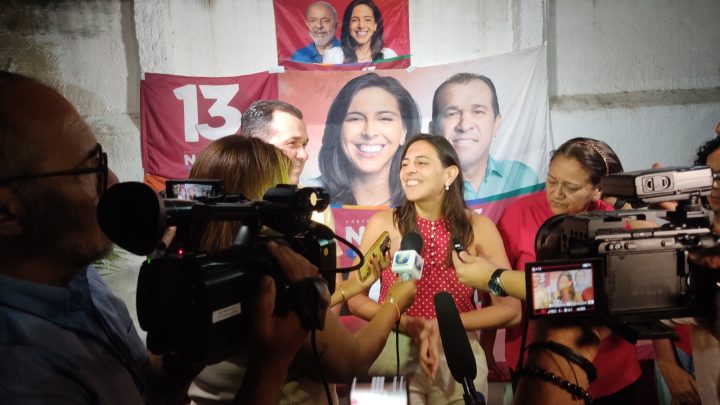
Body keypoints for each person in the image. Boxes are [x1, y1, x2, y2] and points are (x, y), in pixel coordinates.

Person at [0, 71, 316, 404]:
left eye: (101, 159)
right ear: (6, 212)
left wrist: (179, 369)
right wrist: (271, 366)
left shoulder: (84, 284)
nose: (112, 179)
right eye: (88, 169)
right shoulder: (20, 376)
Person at [186, 136, 418, 404]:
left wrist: (349, 289)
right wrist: (395, 303)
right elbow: (350, 361)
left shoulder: (191, 268)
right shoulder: (273, 276)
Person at [346, 134, 522, 404]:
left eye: (422, 162)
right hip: (389, 348)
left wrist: (443, 325)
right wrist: (407, 323)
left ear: (449, 174)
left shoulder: (478, 227)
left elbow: (510, 311)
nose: (409, 170)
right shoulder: (383, 224)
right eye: (405, 164)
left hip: (457, 354)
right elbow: (355, 298)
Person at [486, 137, 644, 404]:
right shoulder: (517, 214)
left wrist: (497, 279)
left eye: (570, 187)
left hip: (607, 369)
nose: (556, 193)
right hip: (536, 367)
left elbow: (588, 292)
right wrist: (487, 349)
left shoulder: (617, 223)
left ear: (598, 190)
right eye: (551, 181)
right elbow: (495, 295)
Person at [429, 73, 539, 201]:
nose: (464, 125)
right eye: (452, 113)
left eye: (478, 112)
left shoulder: (524, 178)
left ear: (496, 124)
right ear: (433, 131)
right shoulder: (419, 186)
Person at [316, 73, 421, 206]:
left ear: (404, 131)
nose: (369, 132)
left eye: (385, 119)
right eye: (355, 118)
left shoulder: (425, 202)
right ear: (338, 130)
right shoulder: (311, 195)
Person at [240, 100, 309, 185]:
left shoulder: (309, 196)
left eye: (304, 144)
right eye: (292, 143)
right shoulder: (227, 194)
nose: (304, 155)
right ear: (255, 146)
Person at [322, 0, 397, 64]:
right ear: (348, 25)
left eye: (367, 19)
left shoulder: (389, 56)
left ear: (375, 26)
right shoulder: (333, 56)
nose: (361, 25)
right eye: (355, 20)